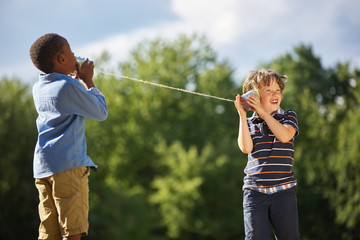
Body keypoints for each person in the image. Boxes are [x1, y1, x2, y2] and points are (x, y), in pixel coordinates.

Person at [30, 33, 108, 240]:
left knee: (49, 233)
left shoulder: (38, 88)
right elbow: (101, 112)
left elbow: (63, 98)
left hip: (43, 168)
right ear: (61, 59)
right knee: (72, 231)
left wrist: (74, 81)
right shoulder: (67, 86)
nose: (76, 56)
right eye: (71, 52)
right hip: (68, 167)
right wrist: (88, 81)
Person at [234, 69, 300, 240]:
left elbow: (285, 136)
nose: (274, 94)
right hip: (255, 193)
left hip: (284, 192)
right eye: (268, 90)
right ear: (253, 96)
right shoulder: (249, 123)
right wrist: (242, 116)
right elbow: (246, 148)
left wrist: (263, 113)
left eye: (277, 90)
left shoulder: (288, 116)